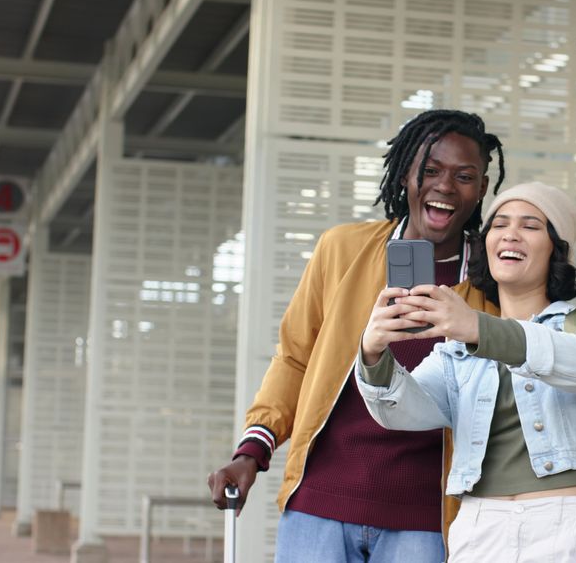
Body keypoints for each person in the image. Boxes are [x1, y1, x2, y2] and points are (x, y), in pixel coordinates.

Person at [207, 110, 505, 563]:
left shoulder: (490, 285)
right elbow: (294, 358)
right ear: (406, 174)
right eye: (430, 171)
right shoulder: (342, 250)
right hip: (319, 505)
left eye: (464, 176)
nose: (445, 186)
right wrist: (252, 450)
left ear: (482, 188)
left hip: (425, 521)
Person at [355, 182, 576, 562]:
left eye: (530, 226)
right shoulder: (456, 348)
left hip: (567, 523)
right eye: (499, 225)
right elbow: (402, 412)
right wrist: (372, 352)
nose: (510, 234)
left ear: (557, 248)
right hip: (479, 527)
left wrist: (478, 328)